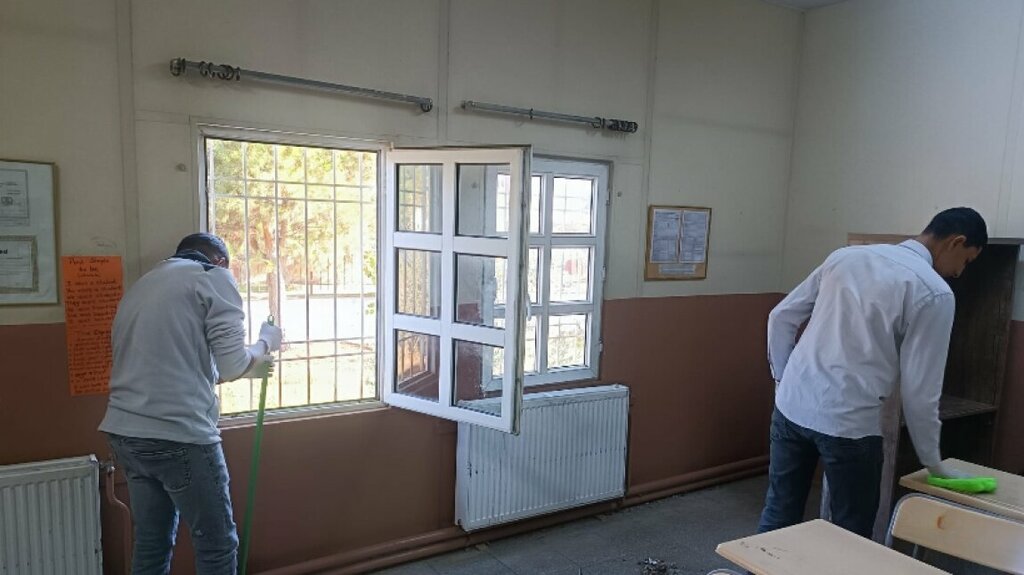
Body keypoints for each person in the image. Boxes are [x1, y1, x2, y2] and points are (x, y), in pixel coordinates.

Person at [758, 207, 988, 538]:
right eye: (966, 260)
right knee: (851, 533)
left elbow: (781, 317)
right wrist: (934, 464)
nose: (959, 272)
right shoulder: (934, 292)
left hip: (791, 407)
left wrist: (783, 382)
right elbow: (920, 391)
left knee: (779, 512)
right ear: (956, 242)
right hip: (849, 425)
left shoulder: (845, 257)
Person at [99, 233, 282, 574]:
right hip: (180, 436)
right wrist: (265, 343)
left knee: (151, 542)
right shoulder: (213, 276)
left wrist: (243, 367)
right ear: (221, 261)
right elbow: (233, 364)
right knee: (217, 545)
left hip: (126, 433)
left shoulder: (143, 285)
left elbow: (183, 364)